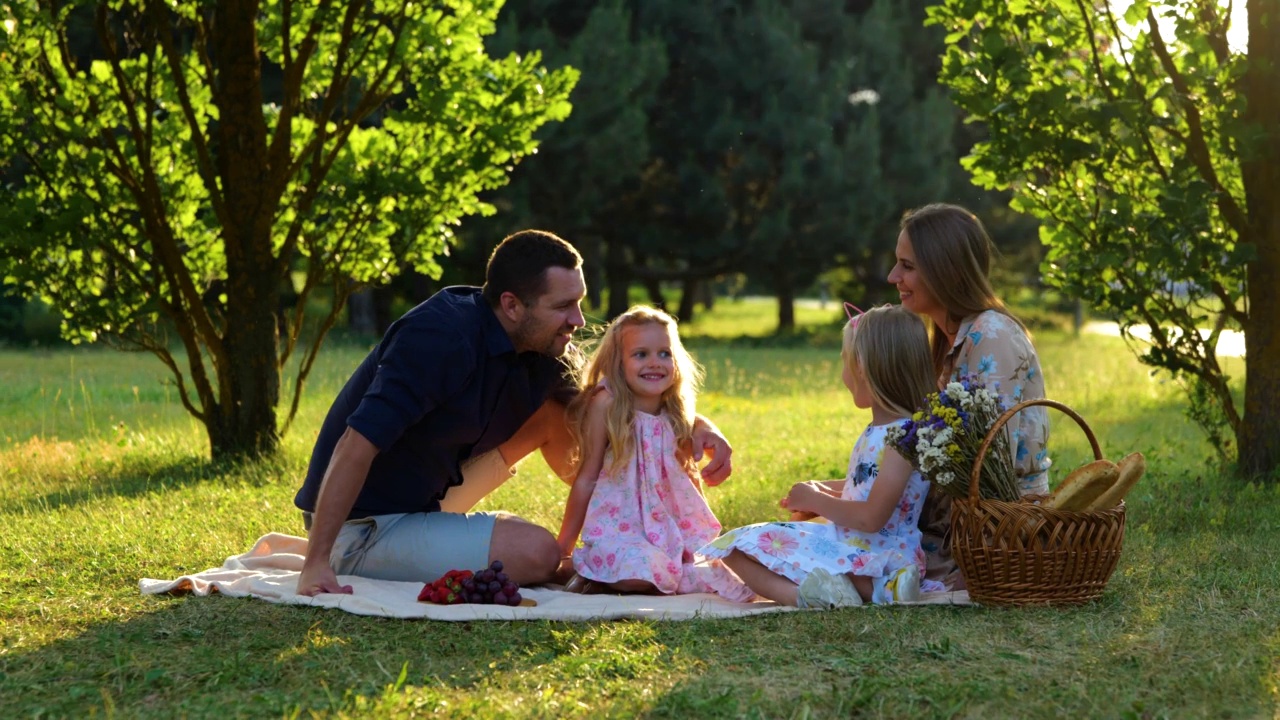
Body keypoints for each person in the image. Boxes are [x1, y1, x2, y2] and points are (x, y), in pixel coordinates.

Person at [293, 230, 734, 597]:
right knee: (538, 553)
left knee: (560, 412)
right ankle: (334, 554)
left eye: (579, 302)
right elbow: (355, 445)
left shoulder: (541, 345)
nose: (578, 320)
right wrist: (316, 563)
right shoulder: (438, 339)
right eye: (563, 306)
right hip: (365, 523)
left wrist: (700, 426)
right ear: (511, 305)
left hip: (426, 497)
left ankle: (635, 537)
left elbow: (617, 398)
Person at [699, 305, 936, 608]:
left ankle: (814, 597)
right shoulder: (896, 431)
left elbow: (871, 516)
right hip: (880, 552)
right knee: (774, 540)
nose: (843, 375)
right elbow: (870, 484)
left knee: (734, 545)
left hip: (867, 549)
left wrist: (816, 501)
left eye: (844, 363)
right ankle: (869, 588)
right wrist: (821, 488)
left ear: (863, 368)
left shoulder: (900, 438)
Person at [888, 203, 1051, 588]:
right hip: (952, 527)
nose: (893, 276)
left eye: (907, 266)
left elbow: (989, 469)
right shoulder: (947, 341)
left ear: (946, 269)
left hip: (998, 537)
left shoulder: (990, 335)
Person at [556, 306, 754, 601]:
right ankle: (590, 570)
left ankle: (657, 569)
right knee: (642, 568)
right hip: (620, 531)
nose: (655, 363)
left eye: (665, 353)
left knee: (722, 570)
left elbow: (694, 424)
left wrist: (711, 431)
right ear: (617, 363)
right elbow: (586, 479)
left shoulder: (675, 407)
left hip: (672, 531)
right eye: (640, 354)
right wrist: (562, 549)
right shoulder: (606, 405)